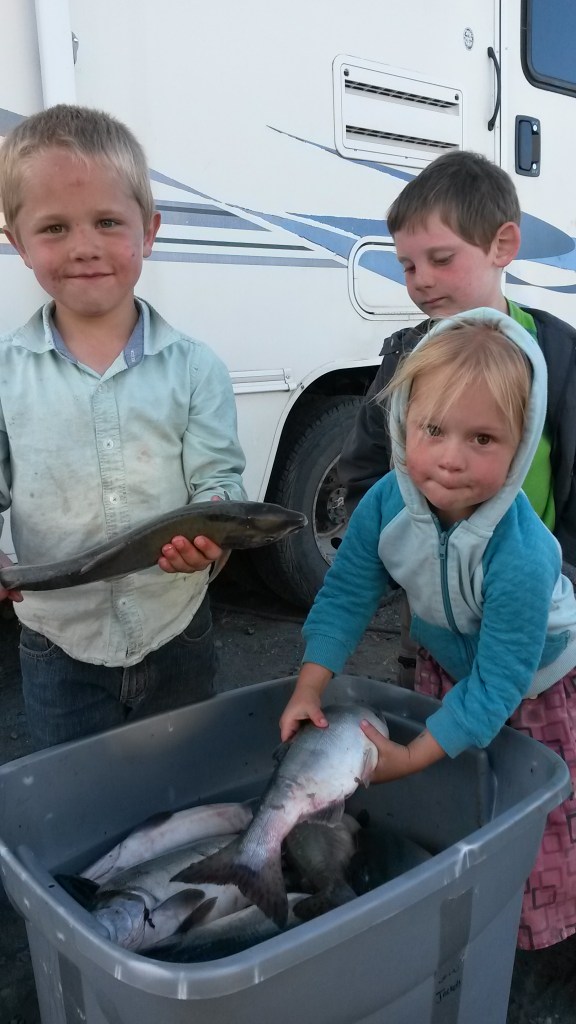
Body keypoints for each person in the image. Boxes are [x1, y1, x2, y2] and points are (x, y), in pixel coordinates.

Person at [280, 307, 576, 951]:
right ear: (402, 422)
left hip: (533, 682)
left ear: (523, 443)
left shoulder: (522, 553)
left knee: (534, 807)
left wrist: (412, 756)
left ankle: (532, 935)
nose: (450, 459)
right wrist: (309, 685)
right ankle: (457, 889)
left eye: (483, 439)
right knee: (459, 784)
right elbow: (346, 595)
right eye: (434, 429)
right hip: (448, 660)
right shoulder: (385, 504)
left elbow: (499, 684)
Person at [0, 104, 247, 749]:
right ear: (18, 242)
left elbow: (219, 481)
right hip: (58, 645)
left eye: (108, 222)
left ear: (149, 230)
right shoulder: (3, 375)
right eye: (54, 227)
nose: (84, 246)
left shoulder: (197, 367)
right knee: (78, 797)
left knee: (184, 785)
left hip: (177, 630)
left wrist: (214, 528)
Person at [337, 150, 576, 686]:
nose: (421, 280)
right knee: (432, 723)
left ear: (502, 246)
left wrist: (559, 576)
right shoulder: (406, 358)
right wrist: (400, 560)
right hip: (432, 614)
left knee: (526, 728)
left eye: (441, 259)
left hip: (537, 610)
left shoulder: (559, 357)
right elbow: (365, 469)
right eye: (407, 266)